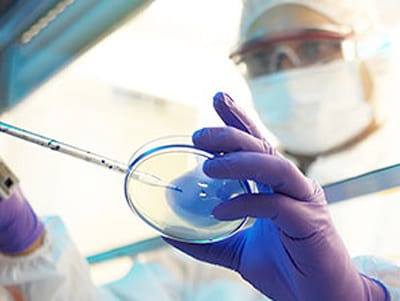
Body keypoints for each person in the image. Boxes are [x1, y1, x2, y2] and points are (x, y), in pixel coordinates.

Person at [229, 0, 400, 185]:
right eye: (261, 57)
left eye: (313, 49)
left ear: (370, 54)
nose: (288, 78)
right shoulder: (242, 184)